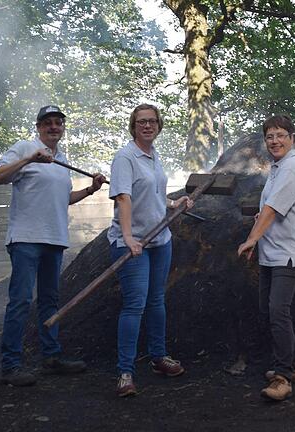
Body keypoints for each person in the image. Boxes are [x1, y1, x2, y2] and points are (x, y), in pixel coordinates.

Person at [0, 105, 106, 386]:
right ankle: (11, 366)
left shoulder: (61, 160)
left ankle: (51, 357)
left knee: (50, 302)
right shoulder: (25, 148)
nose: (54, 127)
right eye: (48, 123)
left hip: (54, 240)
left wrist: (91, 189)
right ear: (39, 127)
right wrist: (29, 159)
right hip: (26, 240)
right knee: (20, 301)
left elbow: (63, 198)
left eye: (59, 123)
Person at [108, 104, 193, 397]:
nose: (147, 125)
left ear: (159, 125)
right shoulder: (125, 157)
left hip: (160, 241)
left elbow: (154, 195)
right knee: (135, 304)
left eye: (152, 121)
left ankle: (159, 357)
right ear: (133, 126)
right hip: (133, 244)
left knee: (157, 300)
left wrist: (175, 203)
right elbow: (123, 198)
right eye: (142, 121)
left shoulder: (155, 157)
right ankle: (125, 372)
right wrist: (129, 237)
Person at [237, 115, 295, 401]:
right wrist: (260, 227)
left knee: (278, 311)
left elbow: (272, 209)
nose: (275, 141)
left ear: (291, 139)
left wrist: (252, 238)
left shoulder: (292, 168)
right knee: (269, 309)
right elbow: (269, 209)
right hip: (273, 252)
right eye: (270, 136)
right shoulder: (278, 168)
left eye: (281, 135)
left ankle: (283, 377)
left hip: (288, 252)